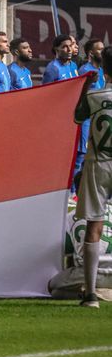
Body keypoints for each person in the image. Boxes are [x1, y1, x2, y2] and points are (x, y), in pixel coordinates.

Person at [75, 46, 112, 308]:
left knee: (94, 224)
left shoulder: (95, 95)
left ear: (104, 68)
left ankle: (90, 294)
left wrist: (83, 88)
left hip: (98, 163)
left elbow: (77, 117)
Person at [74, 38, 106, 192]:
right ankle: (73, 193)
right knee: (80, 156)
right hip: (86, 119)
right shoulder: (84, 70)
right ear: (90, 53)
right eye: (99, 49)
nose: (103, 51)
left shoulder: (102, 70)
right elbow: (78, 95)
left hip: (98, 119)